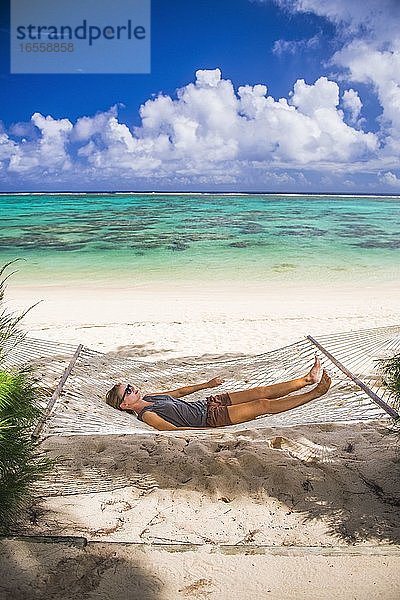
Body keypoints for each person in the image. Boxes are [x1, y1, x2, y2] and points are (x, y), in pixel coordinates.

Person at [105, 355, 331, 431]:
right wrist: (205, 432)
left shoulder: (150, 397)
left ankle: (307, 380)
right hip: (211, 418)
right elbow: (174, 430)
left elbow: (181, 391)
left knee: (260, 391)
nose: (132, 387)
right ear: (124, 404)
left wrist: (208, 384)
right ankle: (313, 393)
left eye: (129, 385)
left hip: (209, 402)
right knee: (263, 405)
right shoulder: (147, 415)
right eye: (128, 390)